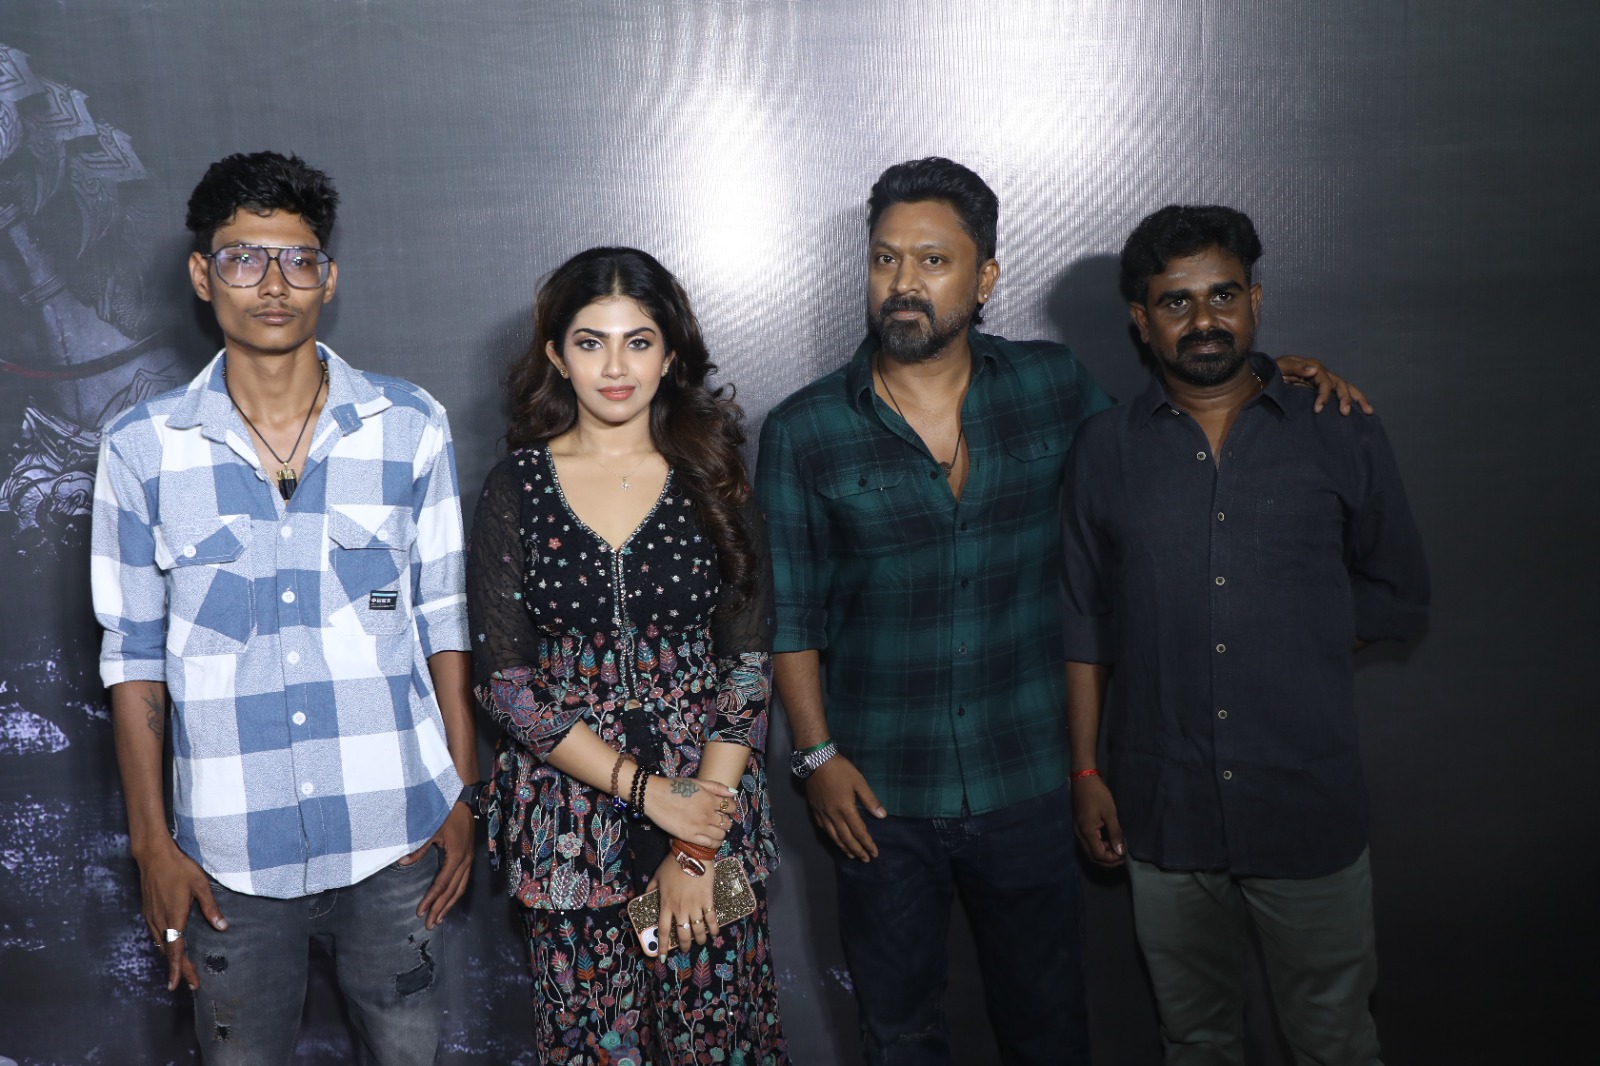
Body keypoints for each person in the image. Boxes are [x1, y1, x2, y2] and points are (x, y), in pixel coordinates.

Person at [754, 158, 1367, 1065]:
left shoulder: (1052, 387)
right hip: (878, 792)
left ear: (985, 279)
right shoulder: (804, 429)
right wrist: (814, 758)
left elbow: (1164, 449)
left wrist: (1273, 380)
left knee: (1048, 1032)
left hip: (1032, 784)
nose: (904, 282)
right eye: (886, 260)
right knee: (898, 1035)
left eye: (933, 261)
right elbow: (791, 612)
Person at [90, 151, 479, 1063]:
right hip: (227, 854)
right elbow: (133, 655)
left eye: (299, 259)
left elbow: (444, 618)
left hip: (396, 834)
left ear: (328, 278)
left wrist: (461, 790)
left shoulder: (408, 425)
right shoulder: (143, 448)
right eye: (243, 258)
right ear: (202, 275)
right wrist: (152, 845)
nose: (273, 284)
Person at [1064, 204, 1430, 1064]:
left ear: (1255, 302)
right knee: (1195, 1041)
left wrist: (1293, 639)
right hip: (1165, 809)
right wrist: (1085, 770)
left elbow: (1397, 591)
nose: (1204, 320)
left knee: (1335, 1041)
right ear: (1141, 319)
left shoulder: (1338, 424)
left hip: (1305, 804)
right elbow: (1084, 622)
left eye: (1223, 295)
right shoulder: (1104, 450)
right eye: (1177, 301)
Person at [468, 246, 787, 1064]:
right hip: (571, 824)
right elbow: (506, 687)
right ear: (555, 354)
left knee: (718, 1043)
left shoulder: (714, 477)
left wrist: (695, 840)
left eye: (638, 342)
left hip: (709, 813)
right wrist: (649, 794)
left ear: (670, 354)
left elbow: (747, 666)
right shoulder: (517, 487)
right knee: (594, 1049)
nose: (616, 367)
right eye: (591, 342)